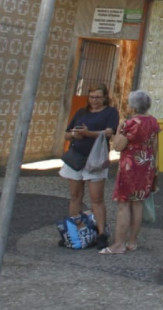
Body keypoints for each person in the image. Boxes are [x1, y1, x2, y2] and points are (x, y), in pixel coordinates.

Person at [100, 90, 159, 255]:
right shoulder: (153, 121)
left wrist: (119, 130)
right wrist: (154, 169)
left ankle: (118, 244)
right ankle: (132, 241)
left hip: (130, 166)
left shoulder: (130, 123)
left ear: (133, 106)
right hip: (146, 165)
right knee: (138, 203)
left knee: (123, 204)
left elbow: (118, 146)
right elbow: (155, 147)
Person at [60, 83, 119, 246]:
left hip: (96, 158)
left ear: (105, 97)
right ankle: (74, 231)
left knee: (97, 198)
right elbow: (66, 133)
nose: (94, 100)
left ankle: (101, 233)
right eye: (92, 97)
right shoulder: (81, 112)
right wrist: (75, 135)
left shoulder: (110, 112)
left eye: (98, 97)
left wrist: (89, 134)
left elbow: (109, 132)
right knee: (75, 196)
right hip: (77, 157)